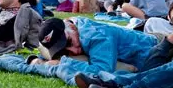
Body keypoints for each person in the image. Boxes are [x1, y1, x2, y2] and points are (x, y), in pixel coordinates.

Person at [29, 16, 158, 74]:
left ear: (73, 27)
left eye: (69, 42)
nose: (73, 51)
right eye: (62, 49)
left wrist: (61, 63)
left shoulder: (96, 37)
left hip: (158, 51)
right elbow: (44, 50)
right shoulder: (72, 29)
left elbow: (101, 72)